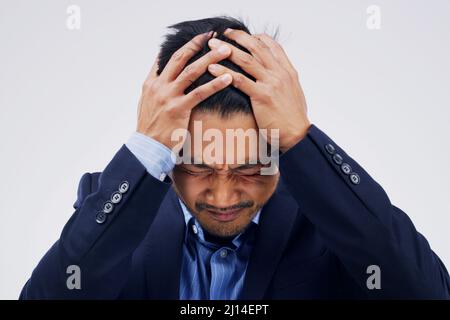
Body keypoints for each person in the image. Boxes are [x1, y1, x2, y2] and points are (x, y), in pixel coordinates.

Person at [20, 16, 450, 299]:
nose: (223, 197)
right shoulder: (110, 202)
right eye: (196, 167)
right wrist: (144, 147)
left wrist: (302, 138)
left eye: (249, 168)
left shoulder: (331, 218)